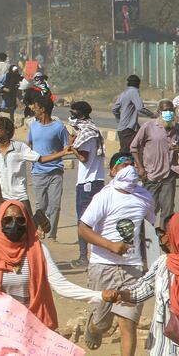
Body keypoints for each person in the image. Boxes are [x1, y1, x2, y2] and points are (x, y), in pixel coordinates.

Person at [0, 200, 113, 342]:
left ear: (27, 222)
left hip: (29, 325)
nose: (14, 225)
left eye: (20, 220)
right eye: (8, 220)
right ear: (0, 221)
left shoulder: (37, 250)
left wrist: (99, 296)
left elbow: (61, 285)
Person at [78, 164, 157, 356]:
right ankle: (95, 327)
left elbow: (147, 233)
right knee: (102, 323)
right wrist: (110, 245)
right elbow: (83, 229)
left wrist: (149, 265)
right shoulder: (104, 196)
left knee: (127, 323)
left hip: (132, 267)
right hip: (103, 265)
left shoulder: (145, 197)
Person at [113, 213, 179, 356]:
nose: (161, 238)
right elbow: (142, 289)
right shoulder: (162, 264)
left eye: (162, 233)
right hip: (161, 349)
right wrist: (120, 294)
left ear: (173, 235)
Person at [0, 116, 70, 218]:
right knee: (5, 229)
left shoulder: (20, 147)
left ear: (8, 131)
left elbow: (41, 159)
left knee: (29, 227)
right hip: (3, 198)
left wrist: (63, 153)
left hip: (20, 196)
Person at [131, 99, 179, 226]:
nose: (168, 112)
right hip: (151, 175)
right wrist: (140, 167)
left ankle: (164, 239)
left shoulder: (178, 128)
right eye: (165, 110)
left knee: (168, 210)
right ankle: (147, 239)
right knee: (150, 209)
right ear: (159, 112)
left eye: (171, 110)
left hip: (169, 174)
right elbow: (134, 147)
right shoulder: (148, 127)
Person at [65, 101, 106, 268]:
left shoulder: (86, 133)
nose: (72, 115)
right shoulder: (90, 130)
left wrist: (72, 147)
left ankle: (84, 257)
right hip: (96, 181)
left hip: (87, 183)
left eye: (74, 112)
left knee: (83, 222)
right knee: (96, 221)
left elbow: (83, 158)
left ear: (81, 115)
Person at [27, 96, 69, 241]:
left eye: (36, 107)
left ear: (43, 109)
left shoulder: (59, 127)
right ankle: (41, 229)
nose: (34, 109)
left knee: (55, 206)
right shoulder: (33, 126)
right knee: (41, 206)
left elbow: (67, 146)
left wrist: (58, 153)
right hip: (38, 172)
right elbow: (30, 145)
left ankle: (52, 236)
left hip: (55, 171)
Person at [112, 74, 155, 153]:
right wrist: (153, 115)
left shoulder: (124, 93)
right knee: (126, 153)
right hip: (128, 129)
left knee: (139, 145)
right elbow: (140, 108)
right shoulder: (134, 91)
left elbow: (114, 109)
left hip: (123, 128)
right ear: (138, 83)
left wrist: (120, 120)